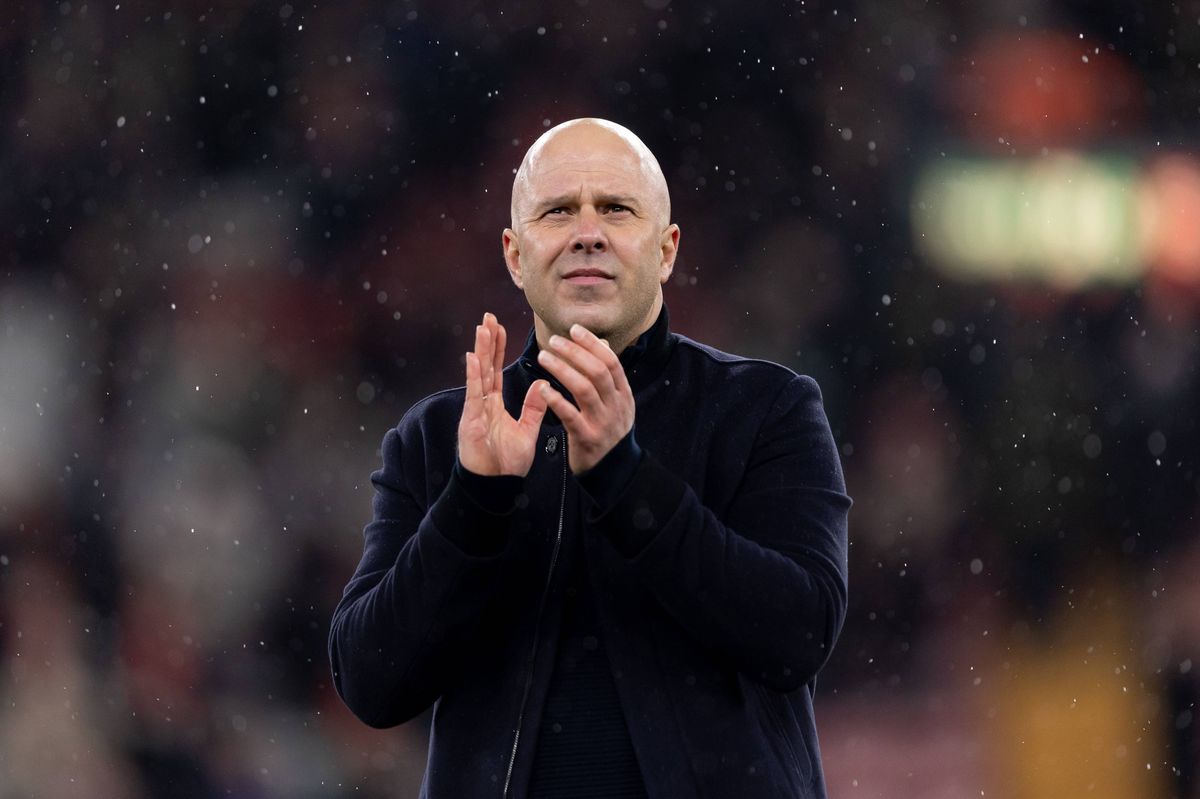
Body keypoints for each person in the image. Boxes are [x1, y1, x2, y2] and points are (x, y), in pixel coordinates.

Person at [328, 118, 851, 799]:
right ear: (516, 256)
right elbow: (372, 682)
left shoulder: (766, 408)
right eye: (558, 211)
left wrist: (626, 477)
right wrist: (475, 502)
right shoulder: (440, 436)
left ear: (665, 251)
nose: (587, 231)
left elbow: (799, 632)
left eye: (615, 208)